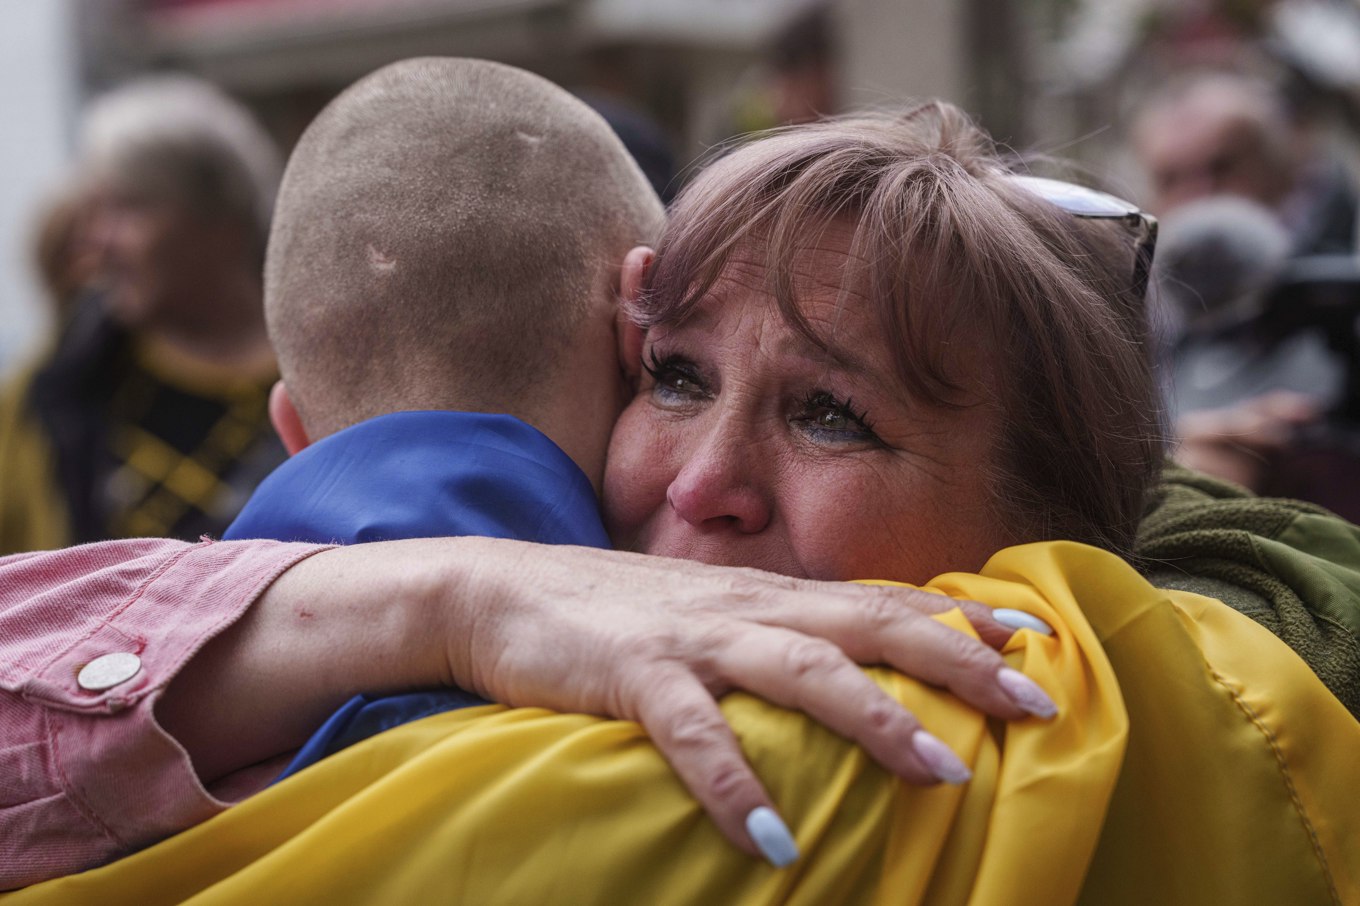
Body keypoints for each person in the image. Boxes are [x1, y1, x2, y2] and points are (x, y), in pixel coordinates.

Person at [0, 76, 286, 555]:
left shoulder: (320, 380)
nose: (97, 241)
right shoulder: (59, 382)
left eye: (128, 209)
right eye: (94, 213)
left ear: (223, 221)